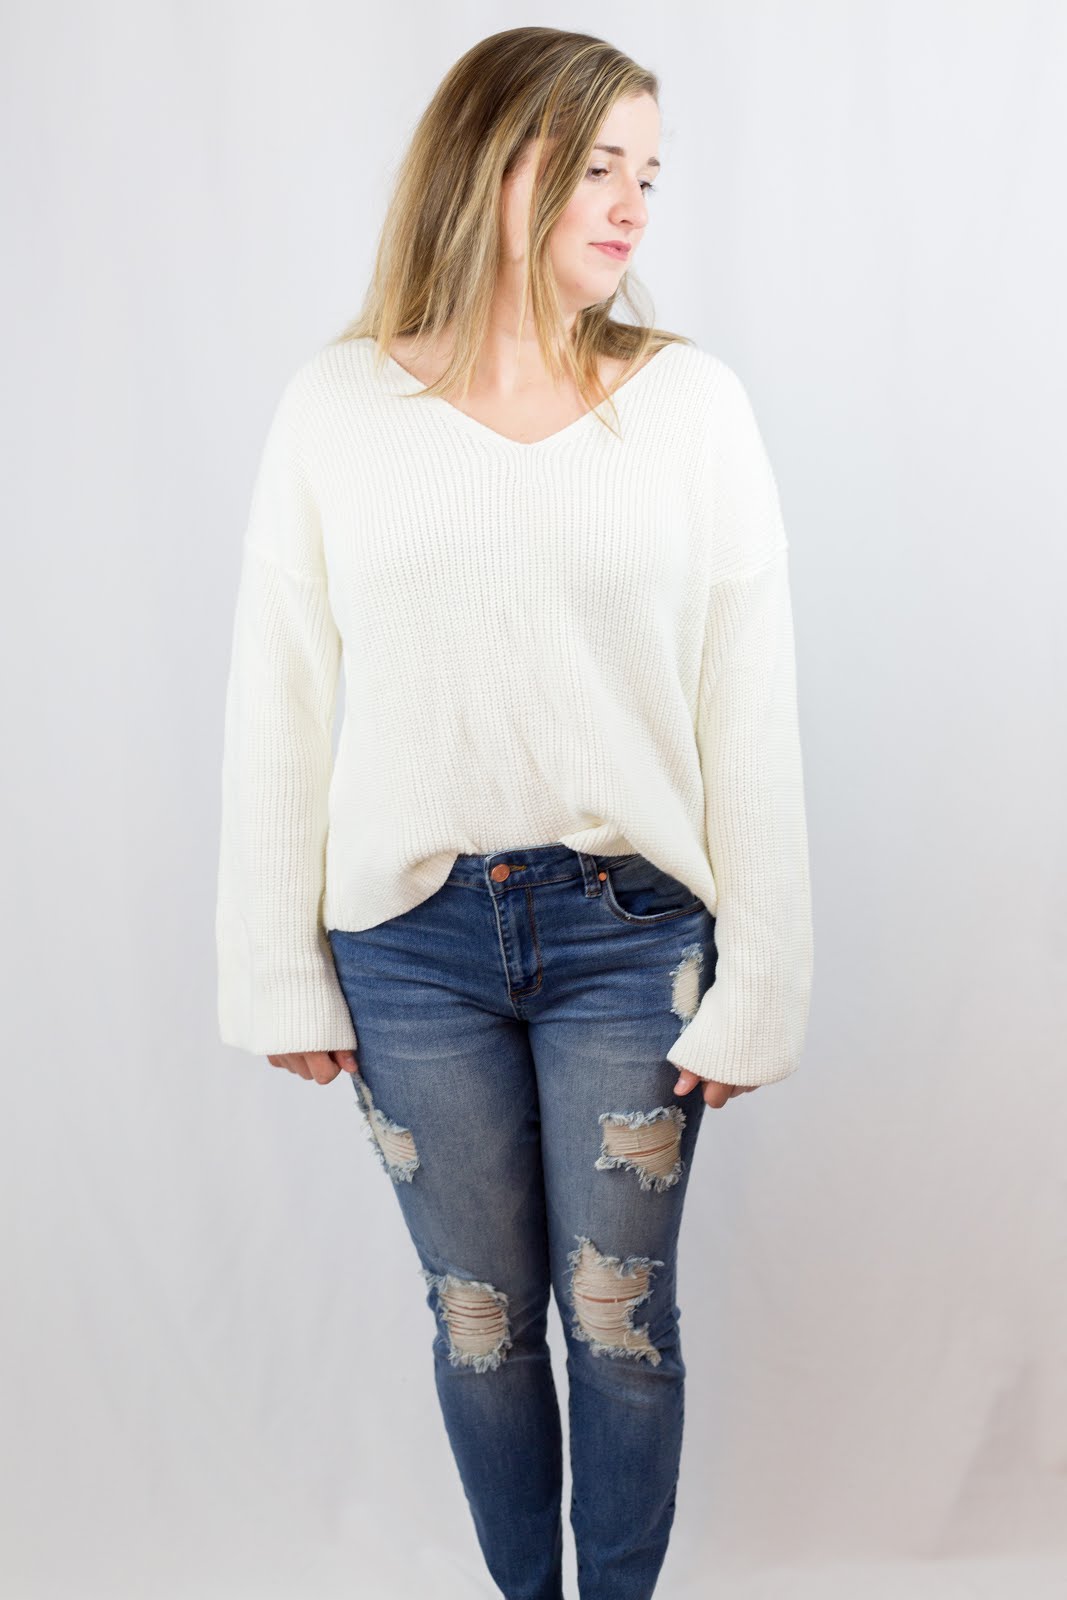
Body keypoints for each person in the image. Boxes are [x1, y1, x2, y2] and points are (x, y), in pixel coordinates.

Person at [215, 25, 814, 1600]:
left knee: (618, 1323)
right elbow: (280, 694)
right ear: (493, 161)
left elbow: (748, 706)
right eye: (596, 165)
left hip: (630, 935)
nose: (631, 206)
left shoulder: (690, 407)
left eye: (648, 175)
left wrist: (767, 979)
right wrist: (272, 966)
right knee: (478, 1324)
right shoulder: (337, 405)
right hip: (408, 946)